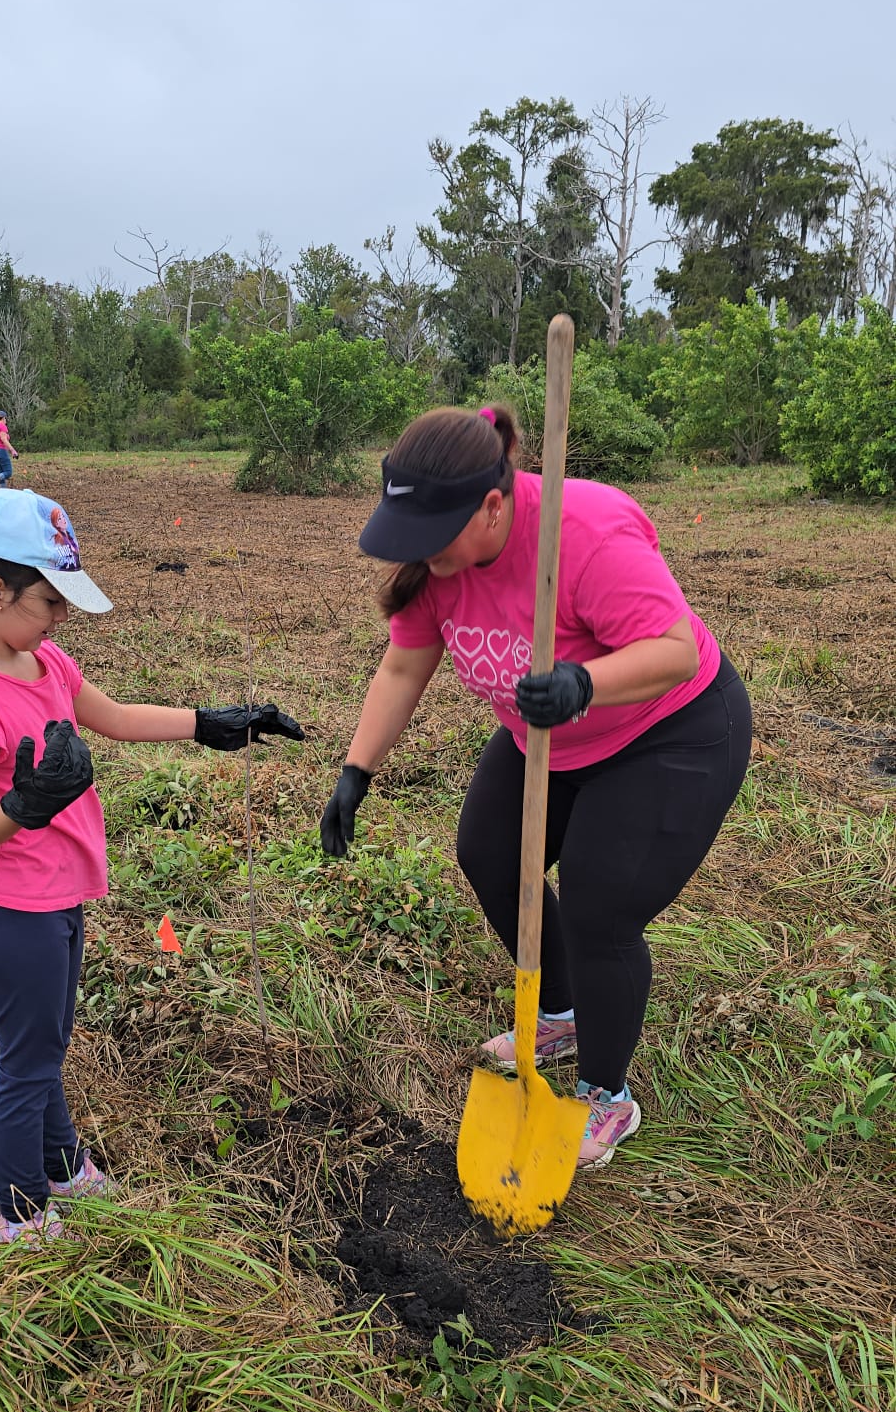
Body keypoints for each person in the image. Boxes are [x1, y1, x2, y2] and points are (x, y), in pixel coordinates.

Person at [320, 404, 751, 1172]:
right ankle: (560, 1011)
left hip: (669, 730)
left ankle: (605, 1094)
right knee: (487, 851)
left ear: (493, 506)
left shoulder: (583, 533)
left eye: (433, 535)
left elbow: (675, 650)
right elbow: (401, 666)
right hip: (548, 735)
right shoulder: (437, 566)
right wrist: (357, 771)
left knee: (600, 899)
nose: (419, 553)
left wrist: (584, 680)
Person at [0, 486, 304, 1245]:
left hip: (57, 897)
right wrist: (25, 806)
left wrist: (214, 724)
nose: (60, 618)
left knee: (48, 1046)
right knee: (28, 1063)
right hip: (10, 911)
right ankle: (22, 1215)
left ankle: (63, 1166)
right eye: (50, 601)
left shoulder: (42, 659)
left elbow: (115, 717)